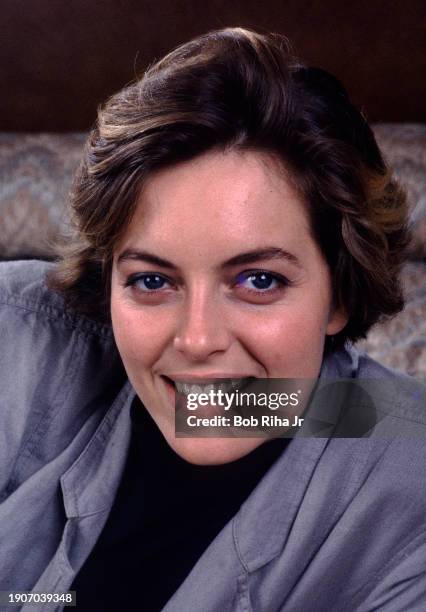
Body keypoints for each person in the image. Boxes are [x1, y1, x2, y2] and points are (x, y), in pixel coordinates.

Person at [0, 27, 425, 612]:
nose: (198, 339)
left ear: (339, 296)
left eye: (259, 281)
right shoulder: (17, 336)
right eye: (153, 281)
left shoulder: (407, 478)